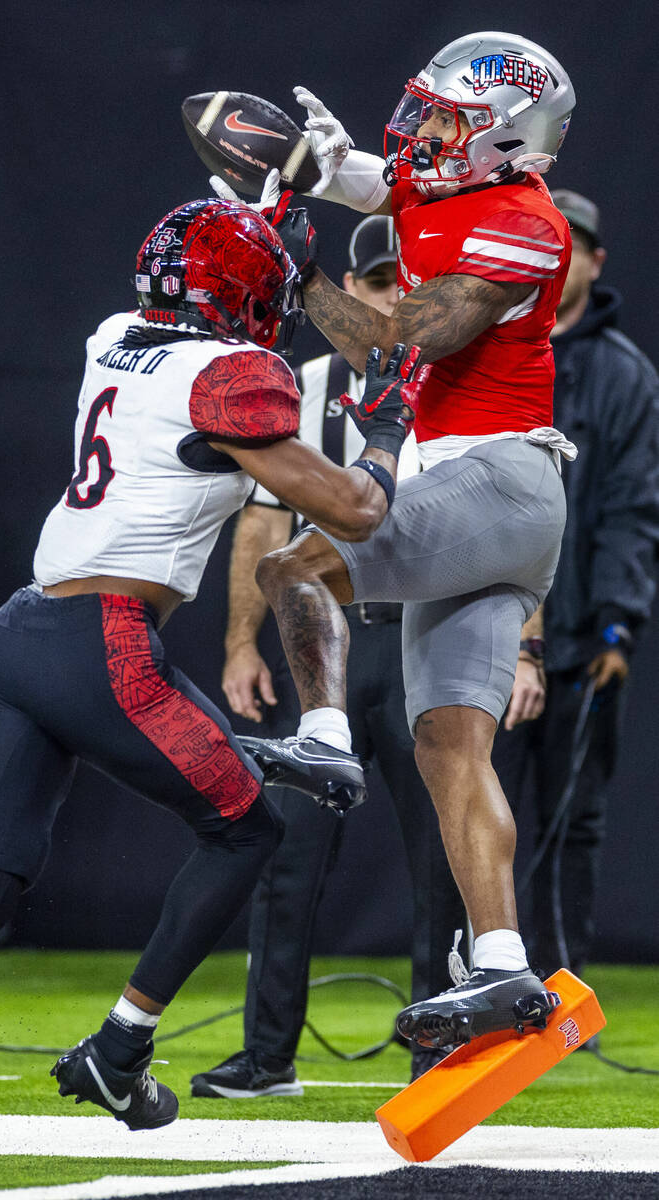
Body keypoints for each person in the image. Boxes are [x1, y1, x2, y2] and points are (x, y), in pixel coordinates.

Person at [0, 197, 416, 1128]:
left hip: (14, 638)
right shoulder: (229, 374)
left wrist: (256, 223)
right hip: (102, 645)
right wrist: (384, 429)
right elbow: (351, 510)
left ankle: (263, 755)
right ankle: (119, 1047)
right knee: (245, 830)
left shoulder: (115, 336)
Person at [212, 31, 580, 1049]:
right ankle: (504, 965)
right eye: (425, 109)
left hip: (498, 482)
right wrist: (317, 173)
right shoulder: (461, 189)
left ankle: (324, 743)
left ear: (506, 140)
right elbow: (392, 188)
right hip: (492, 511)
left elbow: (394, 337)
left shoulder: (521, 222)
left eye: (449, 118)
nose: (425, 130)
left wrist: (296, 267)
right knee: (449, 745)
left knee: (295, 565)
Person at [190, 216, 466, 1099]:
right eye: (379, 284)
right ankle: (268, 1055)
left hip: (428, 636)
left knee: (444, 864)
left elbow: (505, 528)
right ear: (350, 292)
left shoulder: (459, 386)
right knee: (286, 857)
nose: (392, 299)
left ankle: (439, 1055)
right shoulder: (297, 385)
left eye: (405, 285)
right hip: (326, 651)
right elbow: (263, 523)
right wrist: (241, 641)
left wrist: (524, 647)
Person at [492, 190, 659, 977]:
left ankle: (560, 991)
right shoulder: (485, 351)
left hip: (585, 640)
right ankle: (466, 989)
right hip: (490, 630)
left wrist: (622, 623)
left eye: (577, 247)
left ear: (593, 262)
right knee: (472, 811)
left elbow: (635, 506)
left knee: (574, 821)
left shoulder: (626, 377)